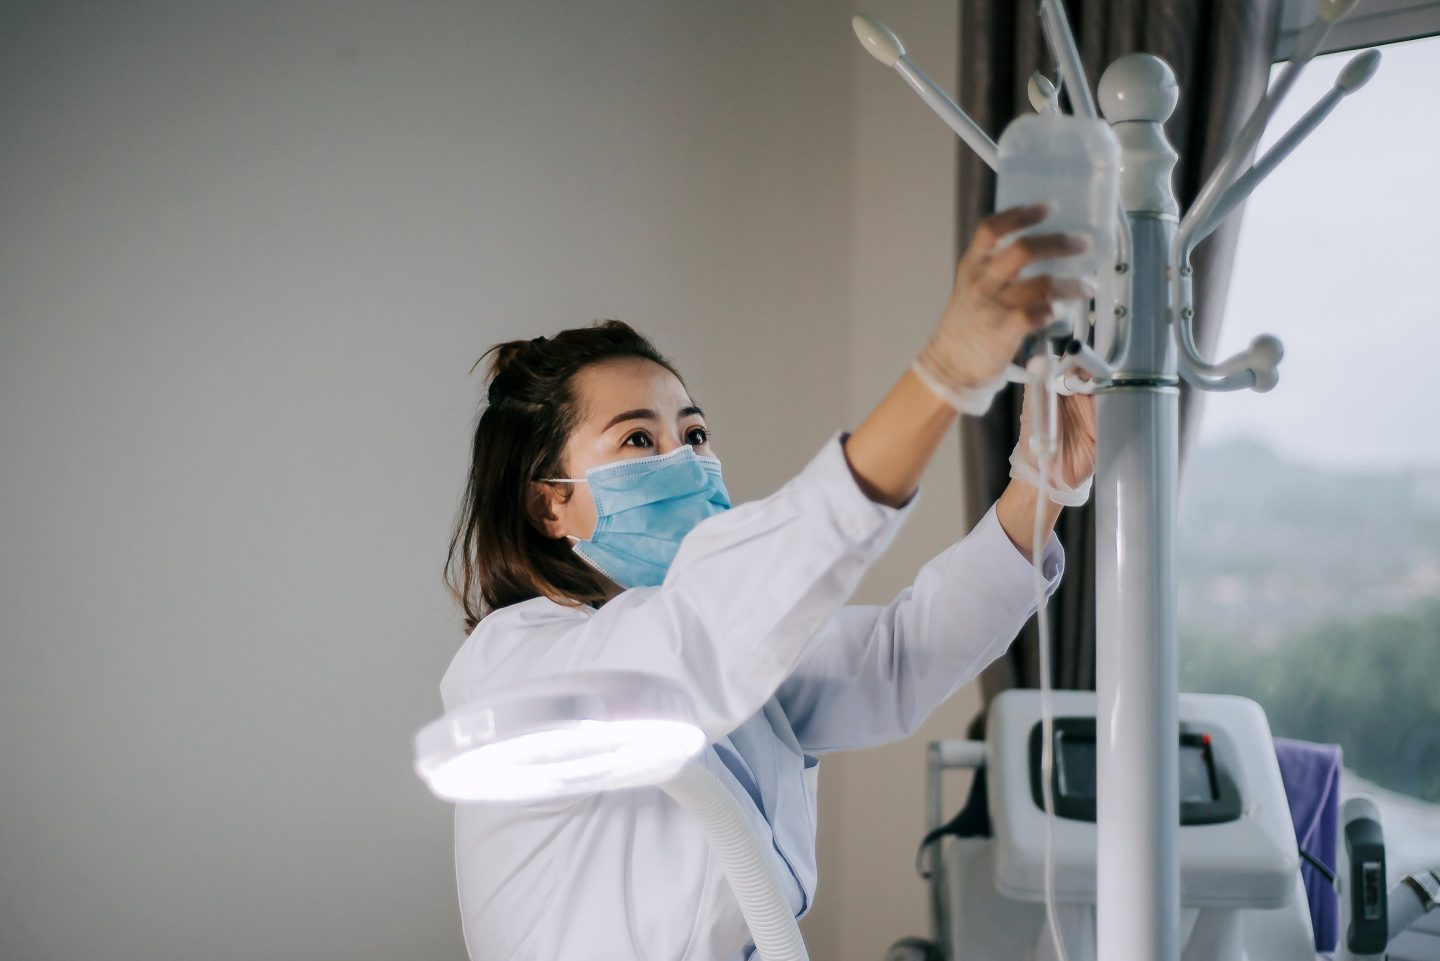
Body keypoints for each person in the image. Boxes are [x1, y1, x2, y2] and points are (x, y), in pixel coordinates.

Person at [439, 202, 1097, 960]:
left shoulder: (729, 653)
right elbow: (697, 639)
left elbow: (900, 656)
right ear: (549, 501)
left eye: (693, 433)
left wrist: (1042, 482)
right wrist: (945, 371)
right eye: (637, 439)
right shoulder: (512, 668)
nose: (684, 458)